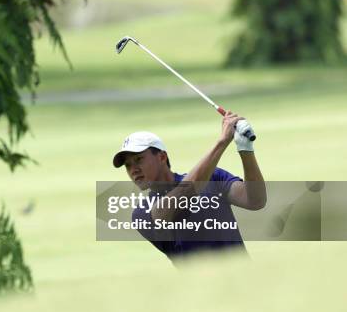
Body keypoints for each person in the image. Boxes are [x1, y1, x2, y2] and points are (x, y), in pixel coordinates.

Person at [112, 111, 266, 262]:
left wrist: (246, 149)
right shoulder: (141, 214)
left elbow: (255, 201)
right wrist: (222, 142)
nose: (133, 170)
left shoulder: (213, 177)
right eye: (127, 165)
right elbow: (183, 194)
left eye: (138, 159)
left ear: (162, 157)